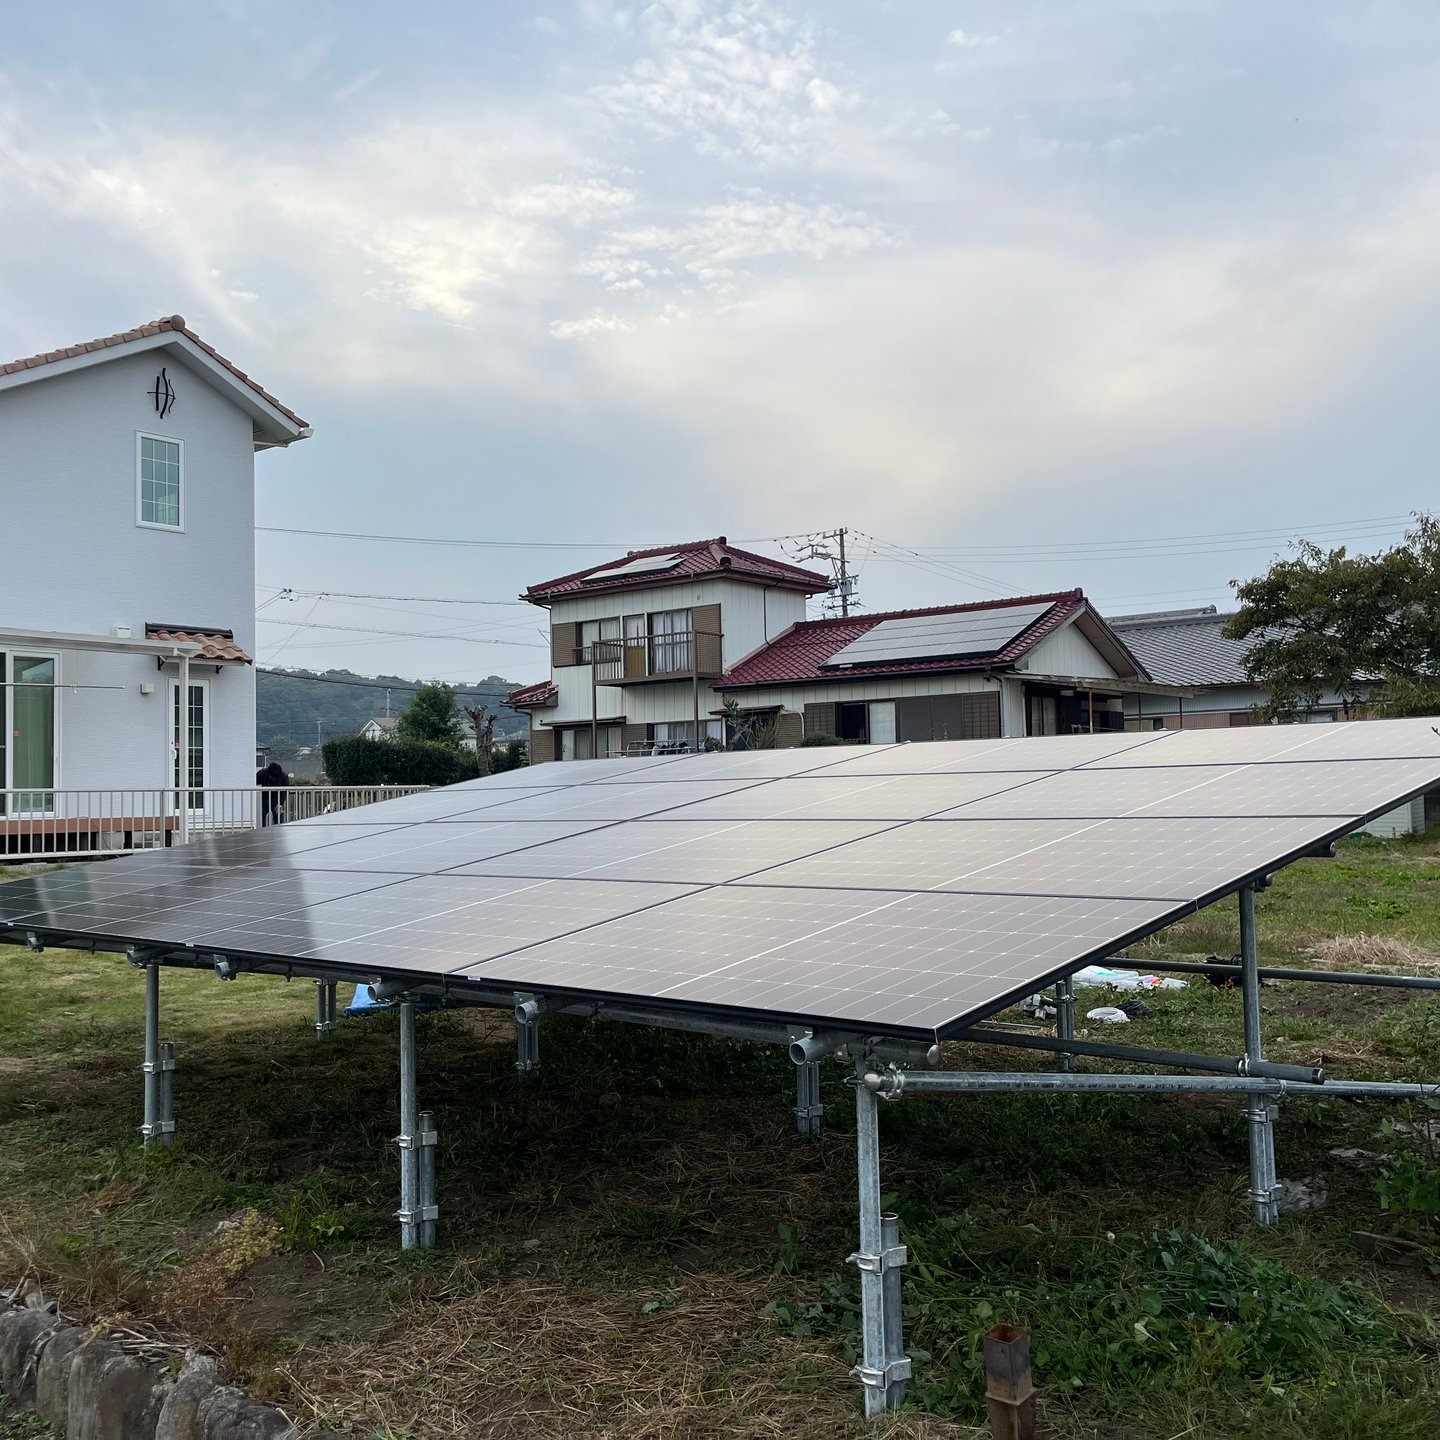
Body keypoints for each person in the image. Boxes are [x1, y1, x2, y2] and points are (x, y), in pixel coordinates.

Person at [256, 759, 290, 826]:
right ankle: (261, 831)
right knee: (261, 818)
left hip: (277, 800)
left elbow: (285, 792)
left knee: (279, 818)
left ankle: (278, 830)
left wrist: (280, 803)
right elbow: (256, 789)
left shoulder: (284, 777)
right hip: (264, 799)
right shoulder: (261, 774)